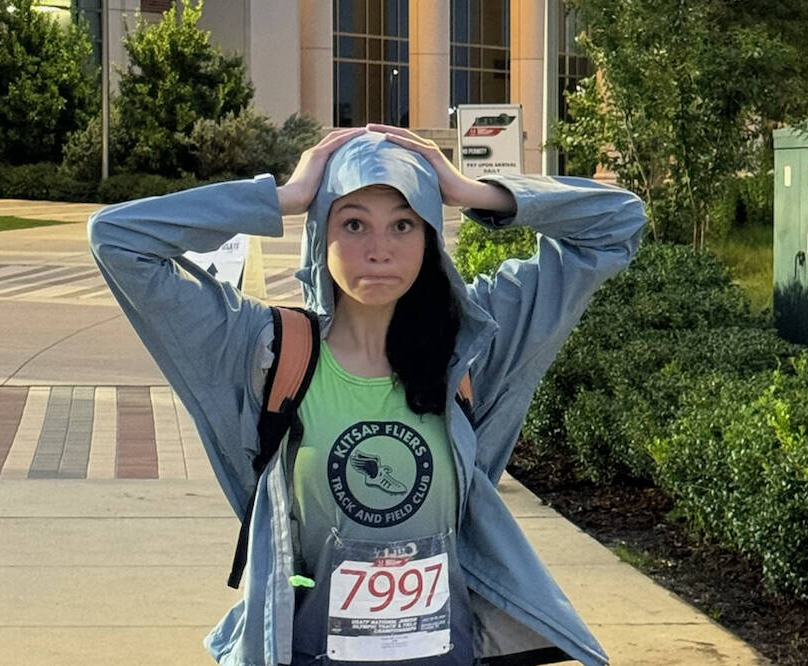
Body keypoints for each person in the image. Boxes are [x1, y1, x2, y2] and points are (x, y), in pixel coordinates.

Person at [88, 125, 647, 666]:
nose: (379, 249)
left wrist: (470, 191)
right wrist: (283, 196)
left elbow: (618, 223)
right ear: (320, 234)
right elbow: (117, 239)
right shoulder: (262, 351)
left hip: (443, 653)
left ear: (429, 238)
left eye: (404, 225)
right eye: (353, 224)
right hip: (307, 651)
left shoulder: (474, 342)